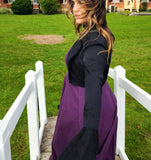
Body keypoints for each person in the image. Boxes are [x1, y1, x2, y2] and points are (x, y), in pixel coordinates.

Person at [49, 0, 118, 159]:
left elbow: (93, 81)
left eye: (81, 3)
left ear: (95, 5)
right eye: (73, 3)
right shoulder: (90, 31)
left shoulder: (95, 41)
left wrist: (89, 132)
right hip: (75, 100)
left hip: (85, 106)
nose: (74, 9)